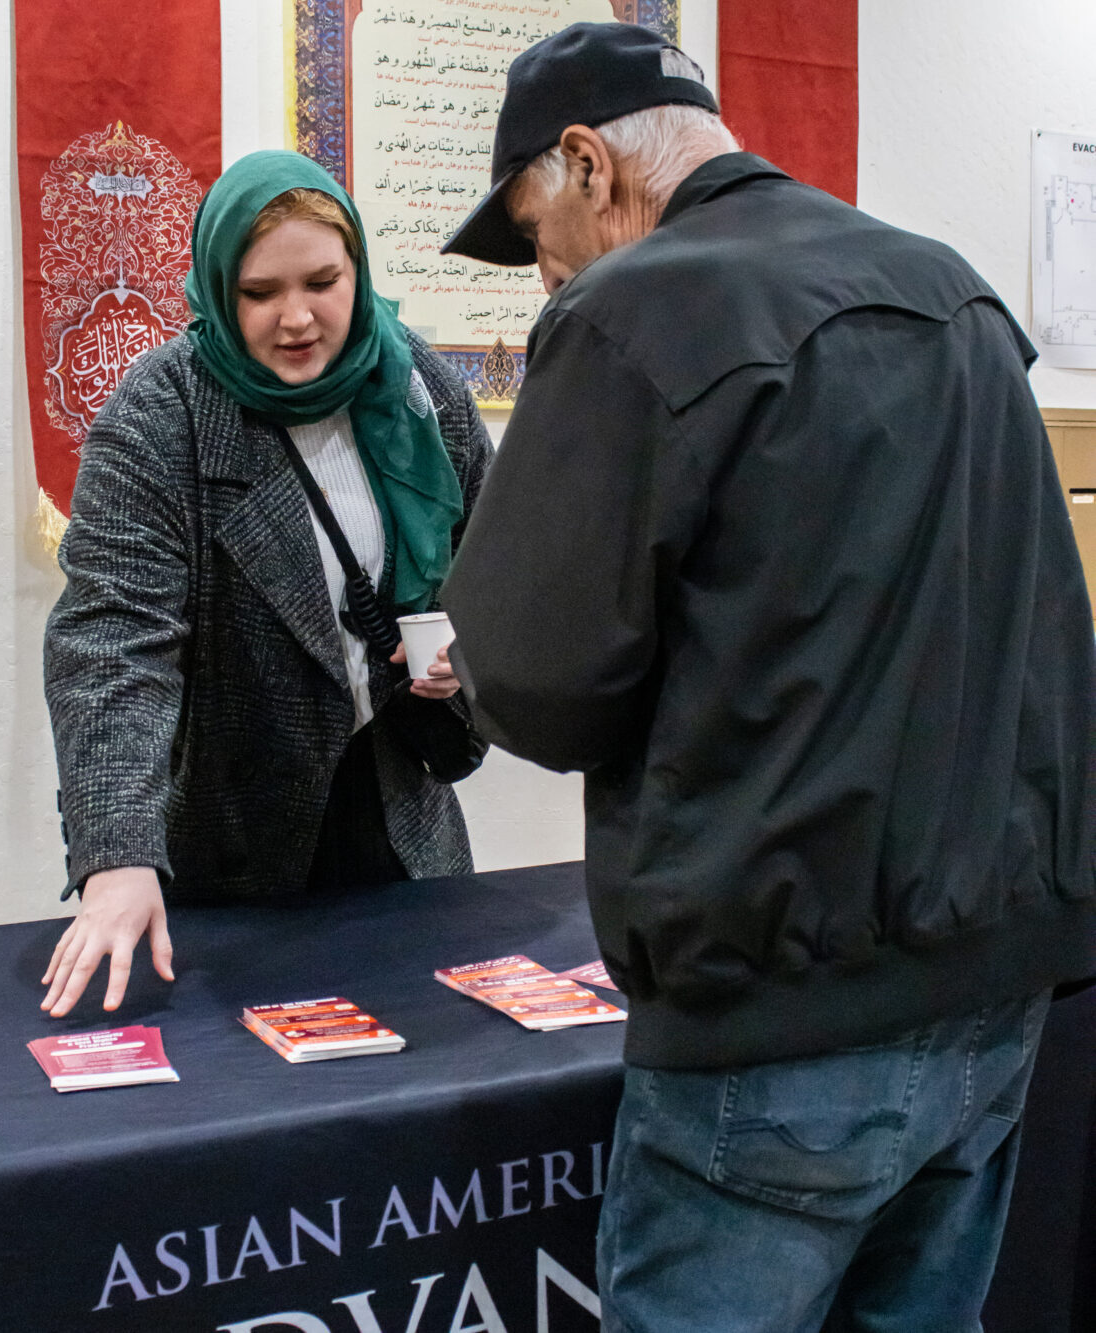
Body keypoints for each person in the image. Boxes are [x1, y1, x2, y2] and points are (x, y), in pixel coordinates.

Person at [438, 22, 1096, 1333]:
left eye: (534, 235)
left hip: (780, 1014)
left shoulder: (629, 314)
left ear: (585, 164)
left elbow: (534, 682)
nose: (543, 274)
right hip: (993, 989)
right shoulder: (952, 293)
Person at [41, 151, 492, 1020]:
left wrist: (470, 658)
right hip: (232, 845)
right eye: (259, 293)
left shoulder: (419, 389)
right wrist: (117, 855)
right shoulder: (162, 412)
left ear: (358, 269)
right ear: (218, 289)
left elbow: (497, 569)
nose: (297, 317)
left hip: (401, 824)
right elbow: (111, 641)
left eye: (323, 281)